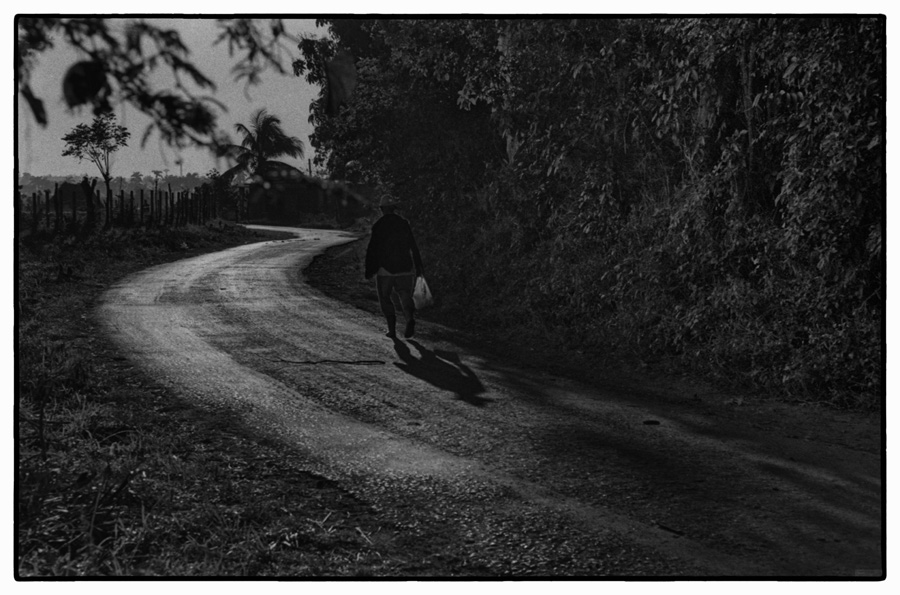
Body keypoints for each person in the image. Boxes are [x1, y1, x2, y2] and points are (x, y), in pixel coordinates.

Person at [365, 194, 424, 339]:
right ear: (394, 208)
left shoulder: (378, 225)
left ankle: (392, 330)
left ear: (382, 209)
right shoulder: (404, 224)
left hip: (385, 269)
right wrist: (418, 266)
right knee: (404, 293)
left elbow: (372, 249)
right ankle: (409, 318)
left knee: (385, 298)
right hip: (405, 267)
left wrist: (369, 270)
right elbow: (413, 246)